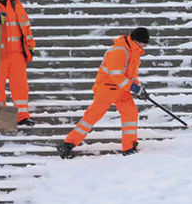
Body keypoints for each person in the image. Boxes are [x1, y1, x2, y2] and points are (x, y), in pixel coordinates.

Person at [57, 27, 150, 159]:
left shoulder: (134, 51)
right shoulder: (119, 50)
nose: (145, 46)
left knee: (130, 113)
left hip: (121, 90)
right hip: (107, 89)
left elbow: (132, 74)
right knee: (91, 117)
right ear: (135, 40)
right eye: (143, 43)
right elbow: (116, 76)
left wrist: (138, 87)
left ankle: (129, 146)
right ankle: (68, 144)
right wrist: (133, 88)